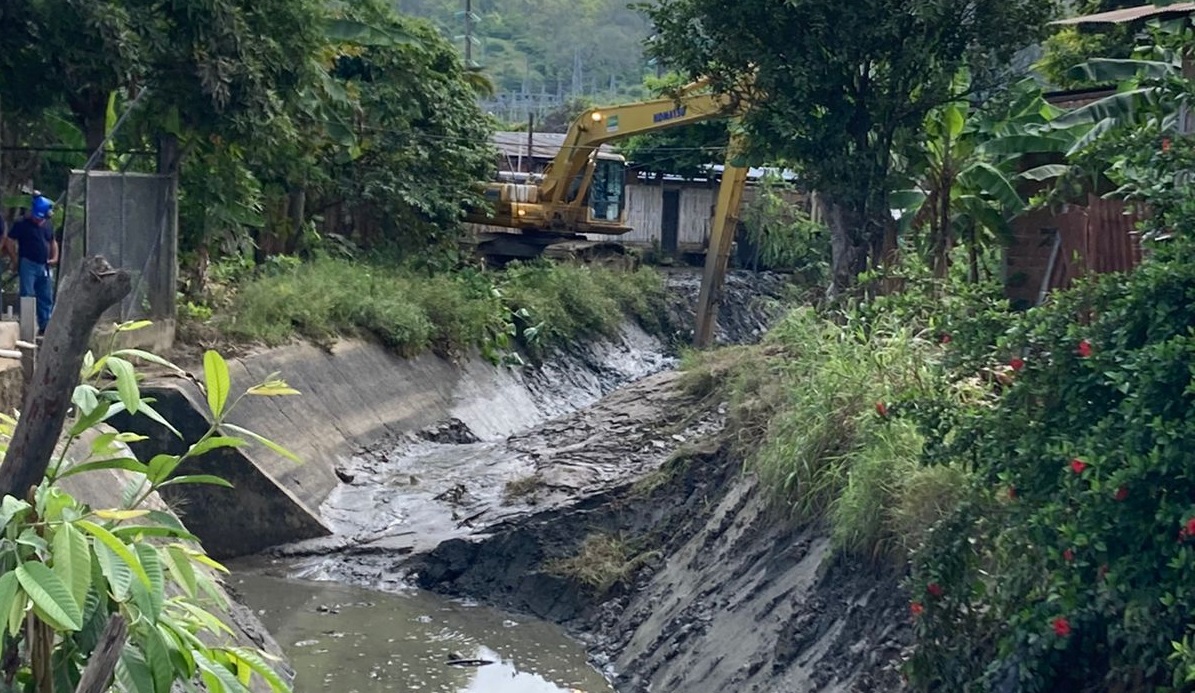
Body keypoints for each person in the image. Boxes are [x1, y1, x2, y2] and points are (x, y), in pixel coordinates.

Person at [3, 195, 58, 335]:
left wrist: (54, 257)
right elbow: (9, 240)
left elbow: (52, 241)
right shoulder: (22, 224)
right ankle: (26, 327)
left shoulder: (47, 225)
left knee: (45, 295)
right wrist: (15, 259)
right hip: (28, 263)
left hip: (44, 264)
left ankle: (45, 325)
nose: (37, 220)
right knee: (27, 294)